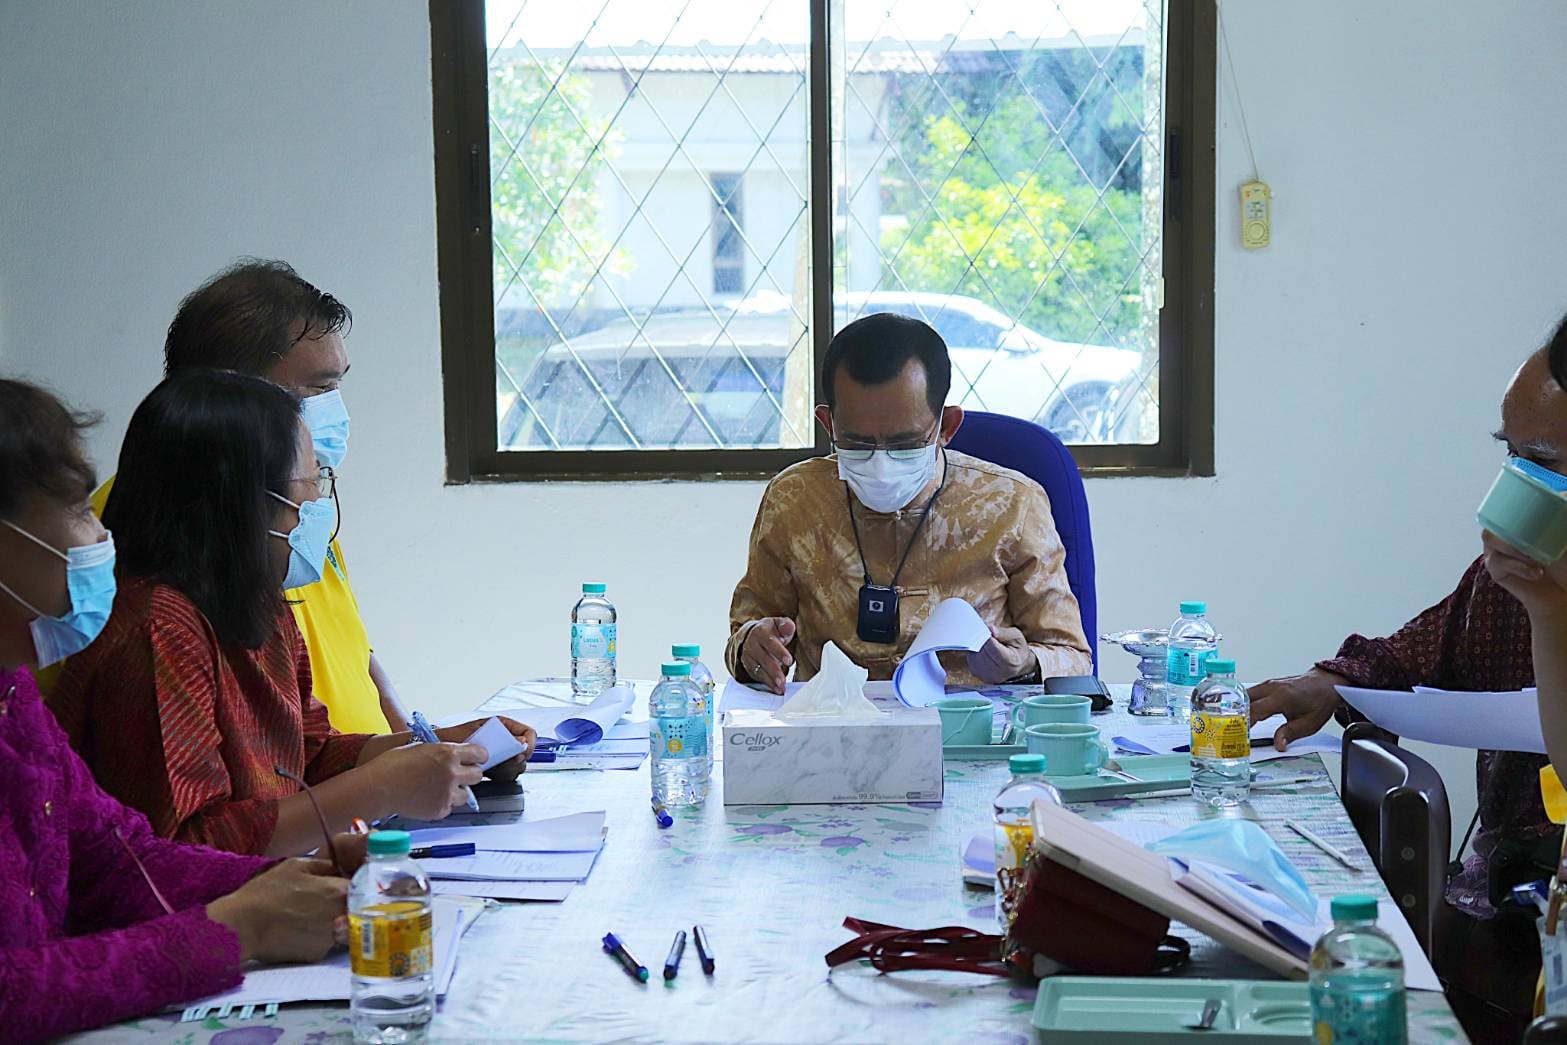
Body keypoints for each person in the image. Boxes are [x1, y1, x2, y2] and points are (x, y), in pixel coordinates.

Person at [0, 377, 363, 1042]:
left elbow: (120, 860)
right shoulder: (156, 624)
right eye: (77, 507)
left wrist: (289, 881)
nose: (99, 535)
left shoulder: (12, 695)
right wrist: (237, 928)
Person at [50, 370, 535, 855]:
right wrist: (381, 786)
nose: (316, 503)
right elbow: (188, 846)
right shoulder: (158, 632)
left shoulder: (259, 602)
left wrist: (436, 749)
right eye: (309, 484)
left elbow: (310, 753)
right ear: (242, 504)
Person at [1251, 325, 1567, 1042]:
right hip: (1517, 904)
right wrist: (1330, 681)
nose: (1517, 484)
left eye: (1542, 461)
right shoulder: (1517, 579)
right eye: (1510, 456)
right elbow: (1412, 654)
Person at [72, 260, 396, 733]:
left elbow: (353, 649)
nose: (335, 409)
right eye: (318, 388)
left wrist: (419, 741)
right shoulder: (135, 531)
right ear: (229, 392)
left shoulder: (298, 508)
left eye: (337, 385)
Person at [726, 312, 1092, 693]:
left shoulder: (1012, 505)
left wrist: (1025, 663)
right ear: (828, 424)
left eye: (904, 444)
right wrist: (753, 646)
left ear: (946, 427)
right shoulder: (795, 500)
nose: (880, 462)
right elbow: (745, 635)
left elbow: (1074, 657)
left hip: (966, 721)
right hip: (836, 719)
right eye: (857, 443)